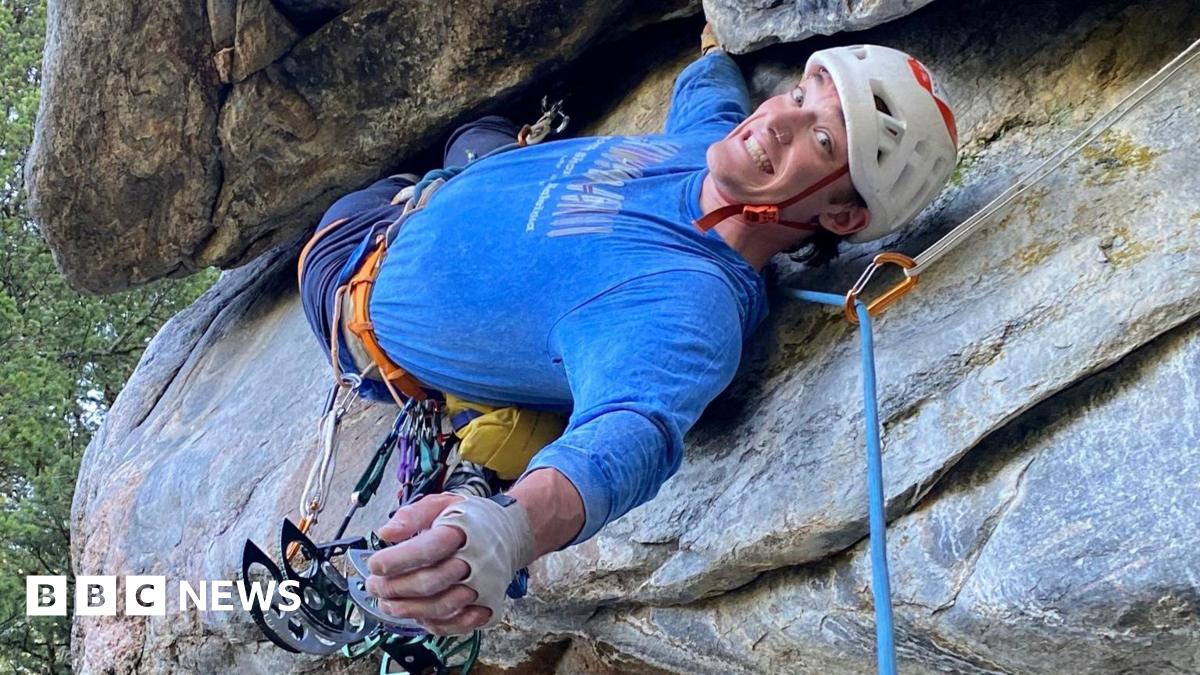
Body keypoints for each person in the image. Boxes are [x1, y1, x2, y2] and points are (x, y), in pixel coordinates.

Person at [299, 26, 958, 635]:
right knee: (476, 135)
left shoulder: (687, 308)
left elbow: (628, 435)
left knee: (442, 158)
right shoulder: (708, 142)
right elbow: (709, 84)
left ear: (841, 217)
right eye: (797, 95)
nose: (779, 120)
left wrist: (510, 529)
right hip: (450, 185)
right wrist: (714, 40)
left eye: (822, 139)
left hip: (345, 276)